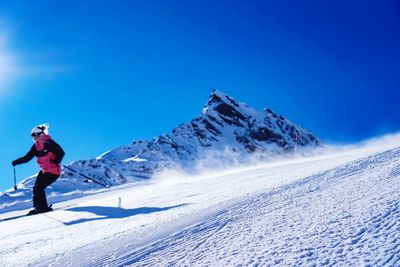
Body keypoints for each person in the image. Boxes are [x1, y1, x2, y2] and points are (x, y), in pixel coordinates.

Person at [12, 124, 65, 215]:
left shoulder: (49, 143)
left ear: (39, 134)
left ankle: (42, 208)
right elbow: (27, 157)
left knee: (39, 188)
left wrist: (56, 160)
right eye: (31, 135)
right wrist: (16, 162)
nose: (32, 137)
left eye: (33, 135)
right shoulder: (36, 146)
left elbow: (61, 152)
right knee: (36, 188)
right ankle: (37, 207)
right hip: (44, 171)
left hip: (53, 171)